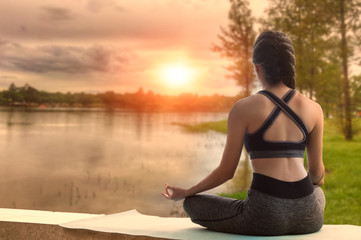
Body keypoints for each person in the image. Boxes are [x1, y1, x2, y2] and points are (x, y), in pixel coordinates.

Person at [161, 31, 325, 236]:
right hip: (309, 216)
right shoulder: (314, 108)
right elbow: (317, 174)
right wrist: (297, 199)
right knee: (318, 193)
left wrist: (187, 192)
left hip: (264, 216)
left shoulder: (244, 108)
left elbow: (226, 171)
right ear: (289, 66)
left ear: (257, 67)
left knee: (192, 204)